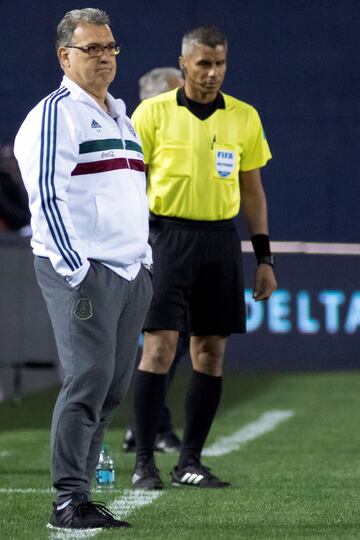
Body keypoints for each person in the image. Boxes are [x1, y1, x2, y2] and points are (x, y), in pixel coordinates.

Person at [14, 8, 152, 529]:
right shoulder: (57, 114)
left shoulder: (122, 116)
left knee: (112, 386)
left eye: (110, 47)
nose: (104, 57)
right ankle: (67, 499)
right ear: (64, 56)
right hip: (85, 270)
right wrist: (76, 269)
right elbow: (46, 195)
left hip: (129, 270)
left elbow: (131, 196)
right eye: (92, 48)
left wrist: (145, 262)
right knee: (87, 379)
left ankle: (83, 493)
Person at [130, 25, 277, 490]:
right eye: (203, 64)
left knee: (211, 353)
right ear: (184, 62)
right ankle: (145, 463)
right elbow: (131, 184)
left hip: (220, 241)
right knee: (159, 347)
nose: (213, 73)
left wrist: (264, 258)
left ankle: (189, 461)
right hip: (165, 237)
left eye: (220, 64)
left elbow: (252, 191)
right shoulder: (151, 114)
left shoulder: (244, 117)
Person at [123, 66, 185, 454]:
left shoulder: (179, 136)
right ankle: (147, 427)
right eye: (175, 95)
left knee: (171, 339)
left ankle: (145, 424)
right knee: (156, 339)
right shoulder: (136, 135)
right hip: (142, 244)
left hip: (166, 242)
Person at [0, 142, 30, 233]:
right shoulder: (3, 182)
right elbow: (6, 207)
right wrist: (25, 219)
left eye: (12, 159)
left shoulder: (25, 177)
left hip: (28, 225)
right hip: (11, 230)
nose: (10, 164)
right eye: (6, 160)